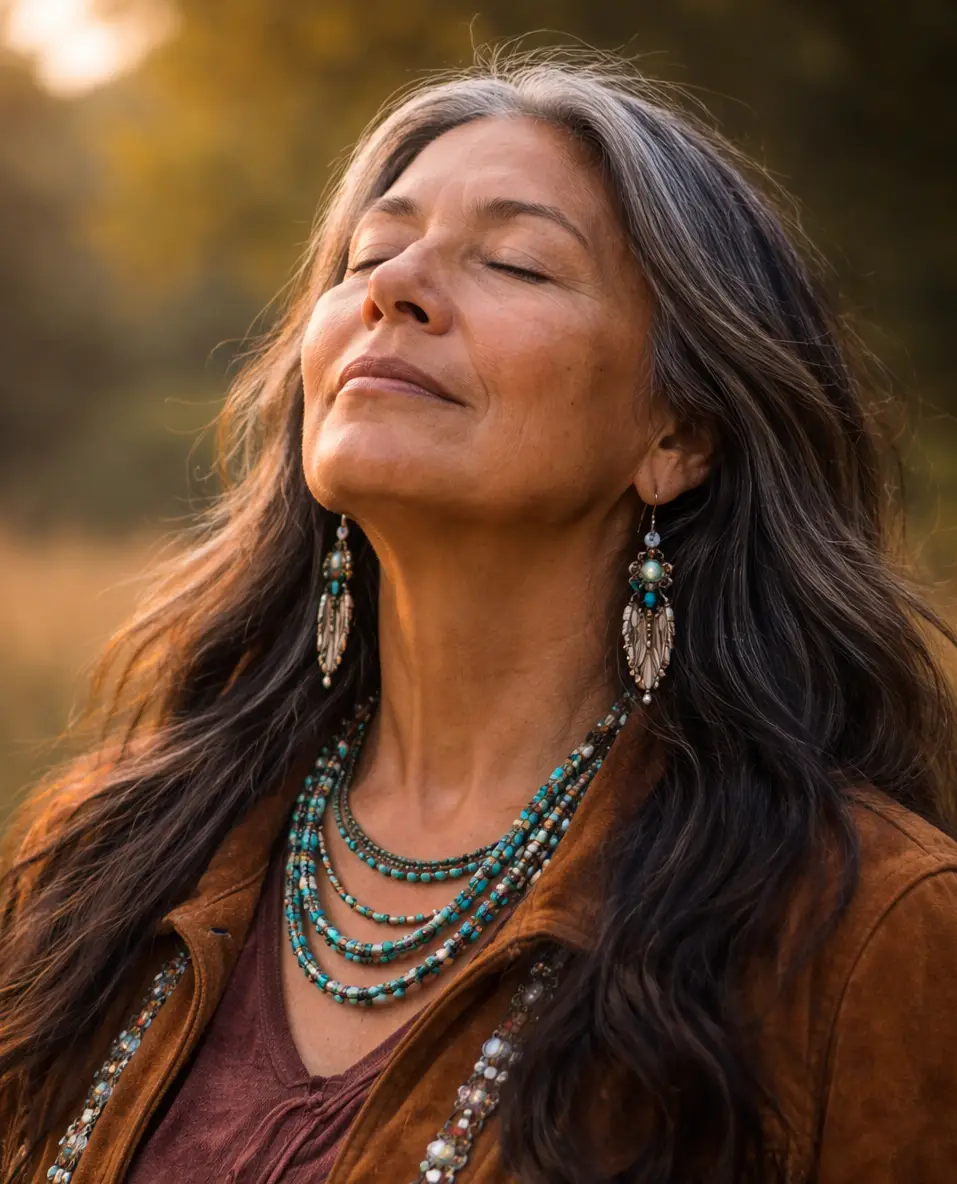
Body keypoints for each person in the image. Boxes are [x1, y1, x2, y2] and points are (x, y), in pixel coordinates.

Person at [2, 50, 957, 1184]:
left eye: (516, 261)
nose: (391, 288)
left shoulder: (865, 937)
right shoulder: (107, 855)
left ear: (677, 437)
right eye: (370, 250)